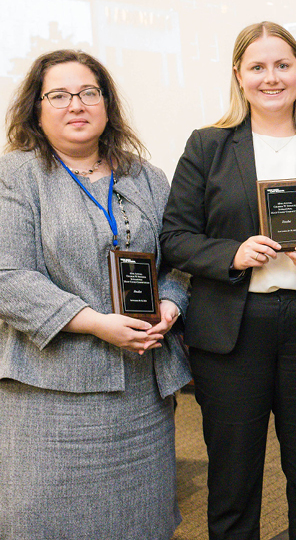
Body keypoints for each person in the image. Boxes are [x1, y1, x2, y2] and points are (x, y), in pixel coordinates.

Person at [160, 22, 296, 540]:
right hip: (232, 331)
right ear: (239, 76)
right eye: (258, 67)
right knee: (233, 482)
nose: (272, 78)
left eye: (282, 65)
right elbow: (175, 237)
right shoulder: (207, 146)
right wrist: (234, 252)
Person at [0, 49, 190, 538]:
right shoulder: (15, 176)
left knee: (141, 522)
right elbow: (8, 276)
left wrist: (170, 304)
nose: (76, 105)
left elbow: (179, 262)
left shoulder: (146, 177)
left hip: (142, 394)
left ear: (107, 104)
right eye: (58, 95)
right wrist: (93, 321)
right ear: (37, 110)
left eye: (88, 92)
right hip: (53, 397)